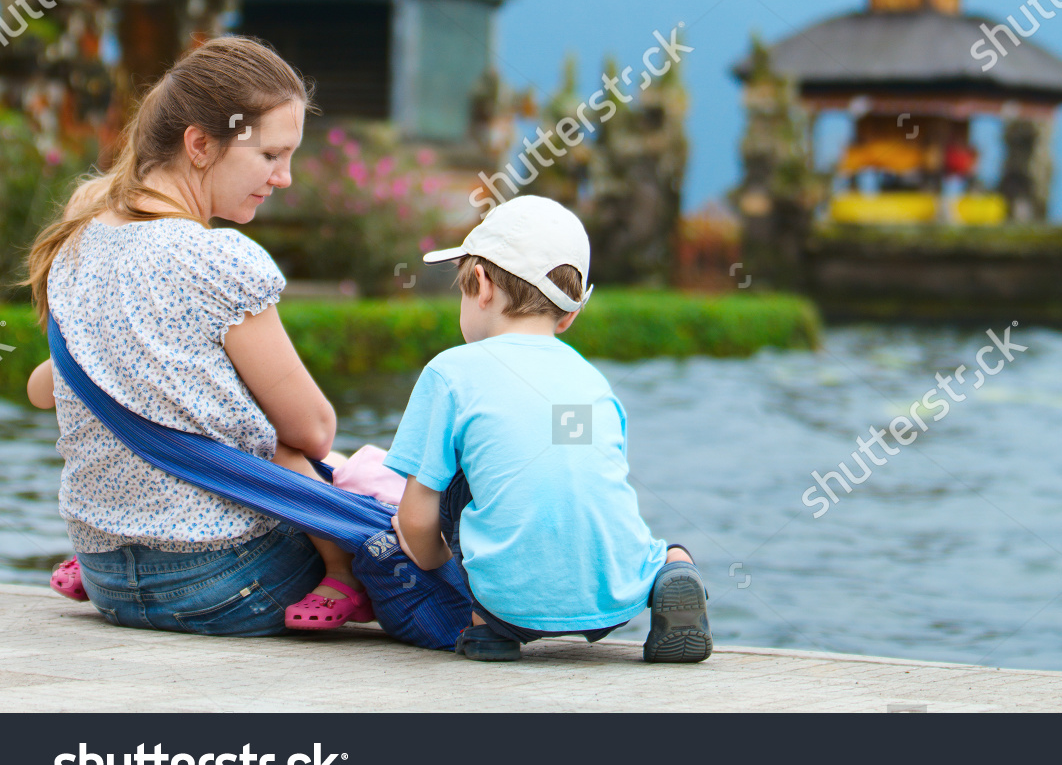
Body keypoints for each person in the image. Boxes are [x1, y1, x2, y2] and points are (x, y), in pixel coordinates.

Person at [25, 36, 370, 634]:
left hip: (107, 579)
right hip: (226, 583)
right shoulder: (217, 259)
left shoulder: (76, 243)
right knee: (339, 471)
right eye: (270, 155)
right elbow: (312, 429)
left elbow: (45, 388)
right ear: (201, 144)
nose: (284, 178)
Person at [387, 195, 712, 663]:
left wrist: (436, 562)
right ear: (570, 313)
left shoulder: (450, 373)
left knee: (456, 477)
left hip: (508, 601)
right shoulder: (594, 382)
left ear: (480, 285)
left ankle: (488, 629)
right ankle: (673, 573)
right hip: (615, 595)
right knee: (663, 550)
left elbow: (416, 520)